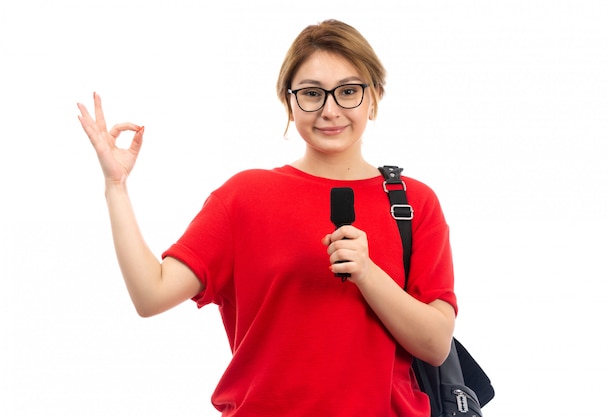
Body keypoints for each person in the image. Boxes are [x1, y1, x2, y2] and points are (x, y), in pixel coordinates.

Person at [77, 19, 457, 417]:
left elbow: (435, 345)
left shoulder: (413, 202)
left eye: (348, 91)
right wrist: (115, 186)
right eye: (312, 93)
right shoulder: (246, 196)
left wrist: (367, 272)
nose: (330, 110)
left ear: (374, 97)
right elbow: (150, 295)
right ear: (289, 103)